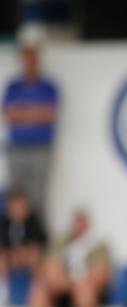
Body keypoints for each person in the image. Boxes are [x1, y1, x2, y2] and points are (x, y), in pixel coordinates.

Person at [28, 210, 111, 307]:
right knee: (39, 292)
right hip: (63, 292)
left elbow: (99, 278)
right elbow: (50, 271)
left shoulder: (99, 246)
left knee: (85, 292)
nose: (79, 227)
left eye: (82, 223)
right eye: (77, 223)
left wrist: (76, 284)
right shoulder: (61, 242)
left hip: (87, 293)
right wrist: (70, 283)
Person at [2, 42, 58, 223]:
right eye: (26, 58)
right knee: (15, 196)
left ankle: (37, 239)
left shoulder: (48, 87)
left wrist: (22, 112)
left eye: (33, 58)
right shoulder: (13, 86)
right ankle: (13, 239)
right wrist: (35, 113)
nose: (29, 62)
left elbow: (48, 115)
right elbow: (8, 114)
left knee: (37, 197)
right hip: (17, 148)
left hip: (41, 149)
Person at [0, 190, 47, 305]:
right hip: (9, 258)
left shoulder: (34, 223)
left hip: (28, 257)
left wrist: (23, 252)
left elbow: (41, 242)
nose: (17, 210)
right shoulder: (4, 224)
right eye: (14, 207)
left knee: (34, 255)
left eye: (20, 207)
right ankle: (3, 292)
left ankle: (36, 291)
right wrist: (12, 254)